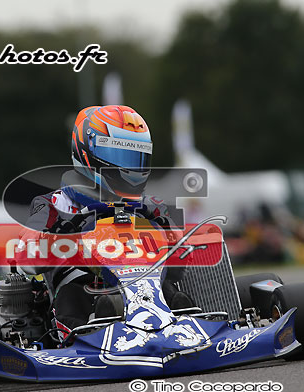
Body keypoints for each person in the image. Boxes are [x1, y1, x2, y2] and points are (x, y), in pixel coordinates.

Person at [24, 105, 193, 333]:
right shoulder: (54, 203)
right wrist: (60, 238)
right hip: (80, 283)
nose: (131, 166)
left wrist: (170, 236)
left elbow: (183, 257)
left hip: (144, 280)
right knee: (73, 297)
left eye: (137, 157)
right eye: (121, 155)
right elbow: (27, 257)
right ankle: (91, 333)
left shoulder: (150, 205)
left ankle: (186, 325)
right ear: (88, 152)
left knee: (170, 291)